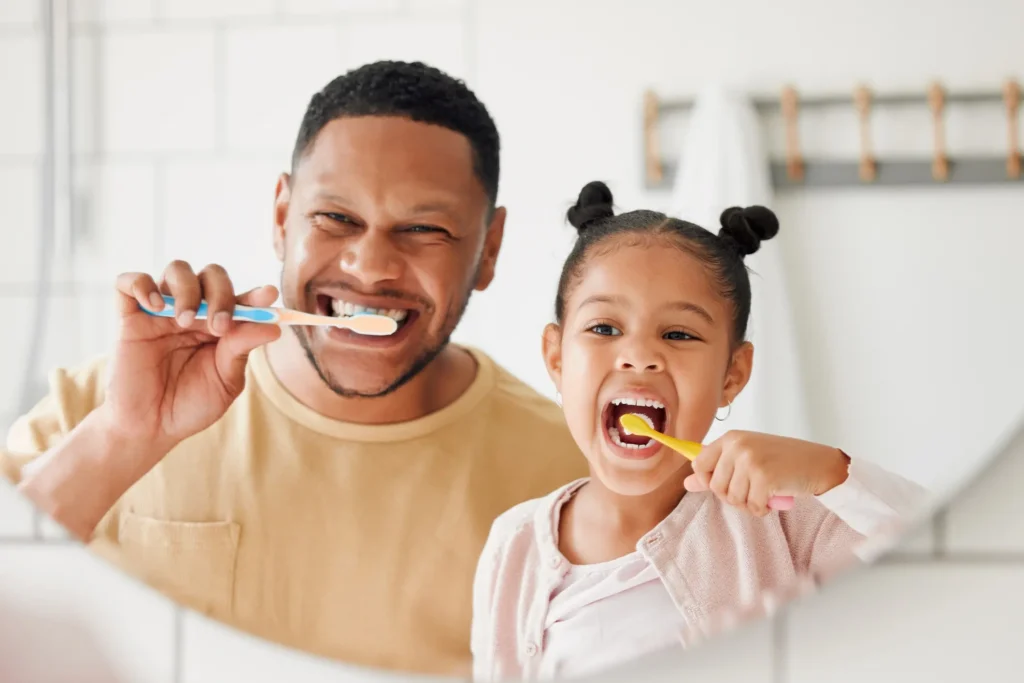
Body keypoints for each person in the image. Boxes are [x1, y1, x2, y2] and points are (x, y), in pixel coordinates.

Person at [0, 61, 587, 676]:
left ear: (488, 249)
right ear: (282, 217)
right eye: (336, 219)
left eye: (423, 229)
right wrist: (121, 440)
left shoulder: (567, 478)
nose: (370, 267)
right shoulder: (103, 407)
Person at [470, 182, 929, 682]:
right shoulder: (512, 544)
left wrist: (828, 471)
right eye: (604, 328)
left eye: (679, 334)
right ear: (557, 358)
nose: (640, 355)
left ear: (732, 374)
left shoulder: (787, 524)